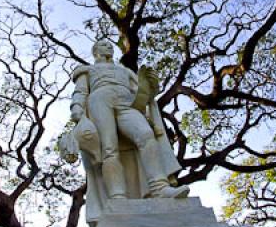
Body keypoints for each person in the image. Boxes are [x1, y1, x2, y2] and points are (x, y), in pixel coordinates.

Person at [68, 38, 189, 207]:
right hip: (100, 100)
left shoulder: (125, 71)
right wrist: (77, 107)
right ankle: (117, 197)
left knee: (146, 135)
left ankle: (160, 188)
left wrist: (150, 86)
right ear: (95, 52)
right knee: (109, 148)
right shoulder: (87, 71)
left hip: (127, 101)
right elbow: (80, 92)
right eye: (104, 45)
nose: (109, 46)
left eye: (110, 45)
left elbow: (141, 93)